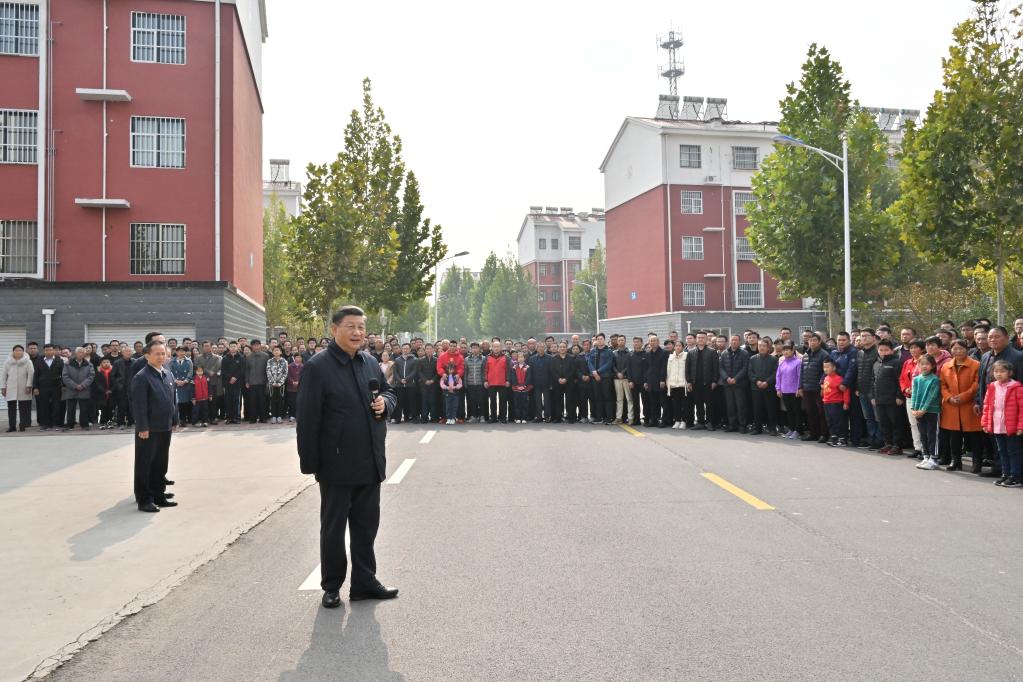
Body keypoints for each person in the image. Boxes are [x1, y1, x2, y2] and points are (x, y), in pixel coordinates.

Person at [296, 305, 398, 608]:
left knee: (366, 527)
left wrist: (385, 404)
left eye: (361, 327)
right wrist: (311, 464)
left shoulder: (369, 362)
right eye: (350, 327)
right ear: (334, 330)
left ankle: (365, 582)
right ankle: (331, 586)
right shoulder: (318, 367)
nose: (357, 333)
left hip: (370, 460)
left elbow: (389, 392)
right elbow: (308, 418)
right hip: (336, 464)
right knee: (334, 528)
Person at [132, 340, 179, 513]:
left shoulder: (167, 374)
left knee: (160, 463)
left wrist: (175, 420)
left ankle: (159, 494)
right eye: (157, 353)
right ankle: (144, 499)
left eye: (163, 354)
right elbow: (139, 405)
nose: (161, 357)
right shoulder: (142, 377)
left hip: (165, 426)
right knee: (145, 464)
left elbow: (173, 400)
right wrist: (142, 427)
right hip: (148, 429)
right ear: (147, 356)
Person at [940, 339, 983, 473]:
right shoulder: (946, 366)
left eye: (961, 348)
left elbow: (977, 385)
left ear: (966, 349)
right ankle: (955, 460)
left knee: (975, 436)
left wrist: (964, 396)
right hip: (951, 405)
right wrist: (948, 397)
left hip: (969, 405)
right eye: (955, 349)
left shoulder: (976, 365)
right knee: (954, 436)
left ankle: (977, 462)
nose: (957, 351)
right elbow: (942, 385)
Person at [980, 360, 1023, 487]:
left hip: (1012, 427)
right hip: (997, 426)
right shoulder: (992, 386)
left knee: (1013, 452)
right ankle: (1005, 474)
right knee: (1002, 451)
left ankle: (1015, 476)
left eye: (1002, 371)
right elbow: (987, 406)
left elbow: (1022, 408)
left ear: (1010, 373)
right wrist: (985, 423)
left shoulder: (1017, 387)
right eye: (996, 371)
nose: (999, 374)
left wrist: (1021, 426)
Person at [873, 339, 907, 456]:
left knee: (896, 423)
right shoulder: (878, 363)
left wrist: (899, 395)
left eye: (886, 350)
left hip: (893, 399)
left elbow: (900, 380)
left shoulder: (897, 362)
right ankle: (888, 443)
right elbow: (874, 381)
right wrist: (874, 396)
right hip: (879, 399)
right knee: (884, 423)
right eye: (881, 350)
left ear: (892, 351)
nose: (883, 352)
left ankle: (897, 445)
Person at [909, 354, 942, 470]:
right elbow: (914, 394)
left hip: (932, 411)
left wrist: (923, 409)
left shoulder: (935, 379)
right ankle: (926, 456)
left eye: (927, 364)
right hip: (918, 411)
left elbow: (931, 396)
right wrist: (913, 408)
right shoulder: (917, 379)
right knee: (922, 434)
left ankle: (934, 458)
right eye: (922, 364)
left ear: (933, 366)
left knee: (932, 435)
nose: (924, 366)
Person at [799, 334, 829, 443]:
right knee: (810, 412)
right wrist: (800, 387)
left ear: (819, 341)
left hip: (818, 389)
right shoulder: (806, 355)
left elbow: (825, 372)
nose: (812, 342)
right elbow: (802, 371)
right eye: (810, 340)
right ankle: (813, 433)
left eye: (814, 340)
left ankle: (823, 434)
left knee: (821, 413)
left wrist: (822, 386)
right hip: (807, 388)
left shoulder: (824, 354)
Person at [685, 332, 718, 430]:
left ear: (706, 339)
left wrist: (714, 381)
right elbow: (687, 368)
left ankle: (710, 423)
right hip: (695, 383)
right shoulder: (691, 352)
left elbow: (716, 368)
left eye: (703, 338)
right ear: (696, 339)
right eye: (699, 338)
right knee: (698, 403)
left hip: (708, 383)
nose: (700, 339)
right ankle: (700, 422)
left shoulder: (712, 351)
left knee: (709, 404)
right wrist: (689, 381)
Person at [856, 330, 882, 449]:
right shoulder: (860, 353)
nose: (864, 338)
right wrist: (857, 387)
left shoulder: (878, 352)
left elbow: (877, 374)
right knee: (868, 417)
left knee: (878, 417)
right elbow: (858, 371)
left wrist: (874, 392)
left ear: (873, 338)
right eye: (862, 336)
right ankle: (871, 439)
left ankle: (879, 440)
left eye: (867, 336)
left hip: (874, 391)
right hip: (862, 390)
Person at [719, 335, 750, 433]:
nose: (734, 342)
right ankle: (732, 425)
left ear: (739, 341)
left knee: (741, 406)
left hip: (739, 384)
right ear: (729, 341)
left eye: (736, 340)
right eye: (732, 340)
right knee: (730, 405)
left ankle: (742, 425)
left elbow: (745, 368)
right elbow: (721, 368)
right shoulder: (724, 353)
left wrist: (736, 378)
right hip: (728, 384)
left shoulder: (744, 353)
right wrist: (726, 378)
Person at [749, 338, 780, 436]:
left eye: (763, 346)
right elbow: (750, 372)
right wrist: (756, 381)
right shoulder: (753, 358)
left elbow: (775, 373)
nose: (761, 348)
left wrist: (767, 382)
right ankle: (757, 428)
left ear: (768, 348)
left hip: (769, 388)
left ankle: (772, 428)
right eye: (759, 346)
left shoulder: (774, 359)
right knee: (757, 409)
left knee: (771, 408)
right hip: (756, 388)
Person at [62, 347, 95, 431]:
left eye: (82, 352)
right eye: (79, 352)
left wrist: (83, 385)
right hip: (71, 389)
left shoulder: (89, 364)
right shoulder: (68, 363)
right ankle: (70, 424)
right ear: (75, 354)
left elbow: (91, 376)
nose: (81, 354)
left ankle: (84, 424)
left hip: (84, 389)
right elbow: (65, 376)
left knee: (84, 408)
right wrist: (74, 385)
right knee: (70, 408)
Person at [2, 344, 34, 432]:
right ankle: (12, 426)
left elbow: (30, 375)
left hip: (24, 388)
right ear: (13, 352)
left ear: (23, 352)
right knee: (11, 408)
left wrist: (29, 386)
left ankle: (22, 426)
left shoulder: (28, 362)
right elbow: (4, 375)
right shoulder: (8, 362)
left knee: (23, 408)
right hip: (10, 388)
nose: (18, 352)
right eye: (16, 350)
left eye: (20, 350)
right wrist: (3, 387)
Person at [33, 344, 64, 431]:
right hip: (43, 387)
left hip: (56, 387)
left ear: (53, 351)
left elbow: (63, 374)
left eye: (50, 350)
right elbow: (35, 376)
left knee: (56, 405)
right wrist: (35, 387)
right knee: (44, 406)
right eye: (47, 350)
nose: (49, 352)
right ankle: (46, 424)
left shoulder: (59, 361)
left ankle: (56, 423)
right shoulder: (39, 361)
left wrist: (64, 385)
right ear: (44, 351)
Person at [821, 358, 851, 447]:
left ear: (834, 368)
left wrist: (846, 402)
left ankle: (842, 439)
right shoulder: (826, 378)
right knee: (830, 421)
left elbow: (846, 391)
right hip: (827, 402)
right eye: (824, 367)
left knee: (839, 421)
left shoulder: (839, 379)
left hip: (836, 403)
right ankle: (833, 436)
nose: (825, 369)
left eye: (828, 367)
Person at [776, 342, 802, 439]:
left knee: (797, 411)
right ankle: (791, 429)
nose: (786, 352)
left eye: (788, 350)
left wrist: (799, 388)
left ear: (792, 351)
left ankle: (797, 430)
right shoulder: (782, 363)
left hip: (795, 391)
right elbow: (778, 376)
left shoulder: (798, 362)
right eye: (784, 350)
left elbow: (800, 376)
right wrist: (778, 389)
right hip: (785, 391)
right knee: (789, 411)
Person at [196, 341, 222, 425]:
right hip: (202, 382)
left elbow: (217, 366)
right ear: (202, 347)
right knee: (203, 401)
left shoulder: (217, 357)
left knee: (213, 401)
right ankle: (205, 418)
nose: (206, 347)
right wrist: (207, 371)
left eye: (208, 346)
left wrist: (210, 371)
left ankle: (213, 417)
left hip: (213, 381)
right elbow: (198, 367)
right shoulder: (198, 357)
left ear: (211, 347)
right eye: (204, 346)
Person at [485, 339, 510, 424]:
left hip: (502, 382)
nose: (496, 348)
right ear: (492, 347)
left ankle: (503, 417)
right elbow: (485, 370)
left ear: (501, 347)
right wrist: (485, 380)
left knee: (503, 401)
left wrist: (507, 380)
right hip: (491, 383)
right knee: (492, 401)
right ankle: (493, 418)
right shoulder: (488, 357)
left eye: (498, 346)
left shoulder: (505, 357)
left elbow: (508, 370)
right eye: (494, 346)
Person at [392, 344, 418, 424]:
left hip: (410, 384)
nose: (405, 350)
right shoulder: (397, 360)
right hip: (399, 385)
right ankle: (398, 418)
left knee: (412, 402)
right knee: (399, 402)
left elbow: (414, 371)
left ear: (410, 349)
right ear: (401, 349)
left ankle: (414, 418)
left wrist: (406, 379)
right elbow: (395, 372)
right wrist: (400, 380)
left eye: (407, 348)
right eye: (404, 348)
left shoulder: (414, 359)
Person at [245, 339, 270, 424]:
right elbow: (247, 371)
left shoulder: (266, 356)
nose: (256, 347)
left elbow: (268, 369)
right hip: (252, 382)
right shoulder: (248, 357)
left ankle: (263, 418)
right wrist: (247, 381)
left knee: (262, 401)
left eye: (257, 345)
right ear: (251, 346)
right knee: (252, 401)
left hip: (263, 382)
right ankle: (253, 418)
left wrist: (267, 381)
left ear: (260, 345)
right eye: (254, 345)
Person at [221, 341, 245, 424]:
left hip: (237, 382)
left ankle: (236, 417)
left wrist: (235, 377)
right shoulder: (225, 358)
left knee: (236, 400)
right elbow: (223, 370)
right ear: (229, 348)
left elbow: (242, 369)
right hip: (227, 383)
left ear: (237, 347)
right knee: (228, 400)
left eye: (234, 346)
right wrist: (230, 377)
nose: (233, 348)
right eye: (231, 346)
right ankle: (228, 417)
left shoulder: (241, 357)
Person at [665, 339, 687, 429]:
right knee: (676, 404)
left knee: (684, 405)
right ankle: (677, 420)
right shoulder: (670, 357)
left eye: (679, 346)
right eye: (676, 346)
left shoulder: (686, 356)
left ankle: (684, 421)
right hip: (673, 384)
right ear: (674, 347)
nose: (678, 347)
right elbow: (668, 370)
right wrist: (668, 382)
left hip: (683, 384)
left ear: (683, 347)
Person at [550, 341, 573, 424]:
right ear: (558, 348)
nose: (562, 348)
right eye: (560, 347)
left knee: (569, 400)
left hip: (568, 382)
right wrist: (558, 378)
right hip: (557, 382)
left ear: (566, 348)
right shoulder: (553, 358)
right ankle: (558, 417)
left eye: (564, 347)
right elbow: (552, 370)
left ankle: (570, 417)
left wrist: (566, 379)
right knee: (558, 400)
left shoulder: (571, 358)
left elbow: (572, 370)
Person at [170, 345, 194, 427]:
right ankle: (181, 419)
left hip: (186, 384)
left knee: (186, 402)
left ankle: (188, 418)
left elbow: (190, 372)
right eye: (180, 351)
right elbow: (170, 372)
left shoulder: (189, 361)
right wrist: (175, 381)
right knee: (178, 402)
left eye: (183, 351)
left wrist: (185, 381)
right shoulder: (171, 361)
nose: (181, 353)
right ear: (176, 352)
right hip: (176, 384)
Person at [612, 336, 634, 424]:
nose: (621, 341)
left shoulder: (630, 352)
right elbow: (612, 365)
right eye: (619, 340)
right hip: (617, 378)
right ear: (617, 342)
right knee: (619, 399)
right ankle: (619, 417)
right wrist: (617, 373)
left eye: (622, 340)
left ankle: (631, 418)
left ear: (625, 341)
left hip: (626, 378)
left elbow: (629, 365)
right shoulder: (614, 353)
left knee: (629, 398)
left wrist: (623, 373)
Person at [266, 345, 289, 424]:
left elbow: (285, 373)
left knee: (280, 400)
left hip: (281, 385)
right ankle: (273, 416)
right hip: (272, 385)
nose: (276, 351)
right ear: (272, 352)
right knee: (272, 400)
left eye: (277, 350)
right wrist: (272, 382)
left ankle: (279, 416)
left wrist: (280, 383)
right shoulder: (269, 361)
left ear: (280, 352)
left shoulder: (284, 361)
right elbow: (268, 372)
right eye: (274, 350)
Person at [510, 352, 532, 424]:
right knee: (517, 404)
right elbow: (513, 377)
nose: (520, 358)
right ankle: (518, 418)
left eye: (522, 357)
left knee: (525, 403)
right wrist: (516, 386)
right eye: (519, 357)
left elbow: (529, 377)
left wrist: (524, 385)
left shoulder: (528, 367)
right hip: (516, 388)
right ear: (517, 359)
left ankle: (524, 418)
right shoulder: (514, 367)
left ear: (524, 358)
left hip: (525, 388)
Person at [94, 357, 117, 428]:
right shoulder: (98, 372)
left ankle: (110, 422)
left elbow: (115, 382)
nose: (106, 363)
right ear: (101, 364)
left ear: (110, 363)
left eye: (107, 362)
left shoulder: (113, 371)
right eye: (104, 362)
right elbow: (97, 383)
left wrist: (111, 390)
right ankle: (102, 422)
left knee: (110, 408)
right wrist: (104, 390)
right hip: (102, 394)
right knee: (103, 408)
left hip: (111, 393)